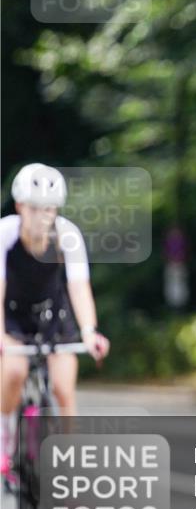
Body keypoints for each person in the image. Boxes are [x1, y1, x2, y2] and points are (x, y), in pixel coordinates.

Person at [0, 164, 110, 483]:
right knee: (14, 371)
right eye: (35, 208)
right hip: (14, 313)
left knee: (63, 387)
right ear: (21, 207)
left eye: (49, 209)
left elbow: (78, 286)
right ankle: (6, 439)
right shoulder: (5, 234)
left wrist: (89, 331)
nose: (43, 217)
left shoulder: (67, 235)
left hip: (52, 313)